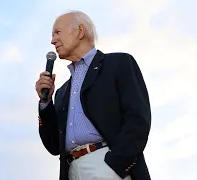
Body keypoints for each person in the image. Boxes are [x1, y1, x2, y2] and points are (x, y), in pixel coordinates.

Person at [35, 10, 151, 180]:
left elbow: (138, 118)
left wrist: (116, 164)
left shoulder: (118, 64)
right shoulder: (61, 92)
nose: (52, 41)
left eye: (57, 32)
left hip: (107, 165)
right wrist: (45, 102)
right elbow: (53, 145)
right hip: (71, 170)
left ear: (80, 31)